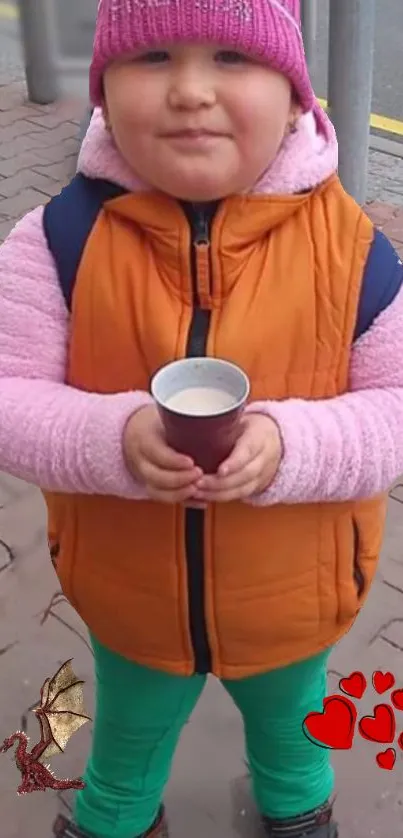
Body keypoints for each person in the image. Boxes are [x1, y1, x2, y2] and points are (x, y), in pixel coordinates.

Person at [1, 0, 403, 836]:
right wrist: (110, 439)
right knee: (126, 743)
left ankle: (297, 814)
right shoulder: (57, 240)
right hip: (128, 597)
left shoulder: (357, 253)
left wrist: (291, 445)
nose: (188, 90)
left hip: (297, 597)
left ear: (294, 94)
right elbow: (9, 393)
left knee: (293, 739)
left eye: (229, 56)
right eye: (151, 58)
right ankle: (116, 818)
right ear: (104, 89)